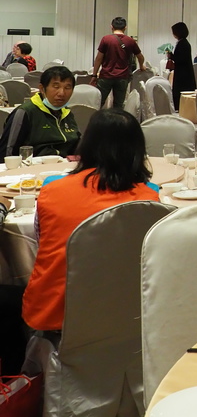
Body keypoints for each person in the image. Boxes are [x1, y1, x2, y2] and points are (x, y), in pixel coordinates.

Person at [21, 109, 160, 333]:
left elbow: (41, 243)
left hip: (54, 312)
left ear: (86, 144)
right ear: (137, 150)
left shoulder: (52, 190)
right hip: (127, 316)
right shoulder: (149, 199)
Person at [0, 66, 79, 158]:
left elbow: (77, 146)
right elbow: (7, 153)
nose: (61, 93)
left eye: (67, 88)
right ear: (42, 89)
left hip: (65, 164)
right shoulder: (25, 112)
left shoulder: (67, 113)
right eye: (56, 87)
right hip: (33, 165)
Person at [91, 17, 145, 110]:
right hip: (122, 77)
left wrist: (94, 75)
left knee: (98, 103)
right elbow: (140, 57)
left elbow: (98, 59)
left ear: (111, 27)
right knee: (118, 105)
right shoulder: (130, 41)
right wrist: (141, 66)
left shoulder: (106, 39)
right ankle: (116, 119)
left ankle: (97, 118)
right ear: (125, 27)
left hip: (106, 76)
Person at [170, 21, 196, 110]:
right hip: (184, 73)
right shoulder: (183, 43)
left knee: (181, 94)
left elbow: (180, 59)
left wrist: (171, 56)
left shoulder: (182, 44)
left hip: (183, 74)